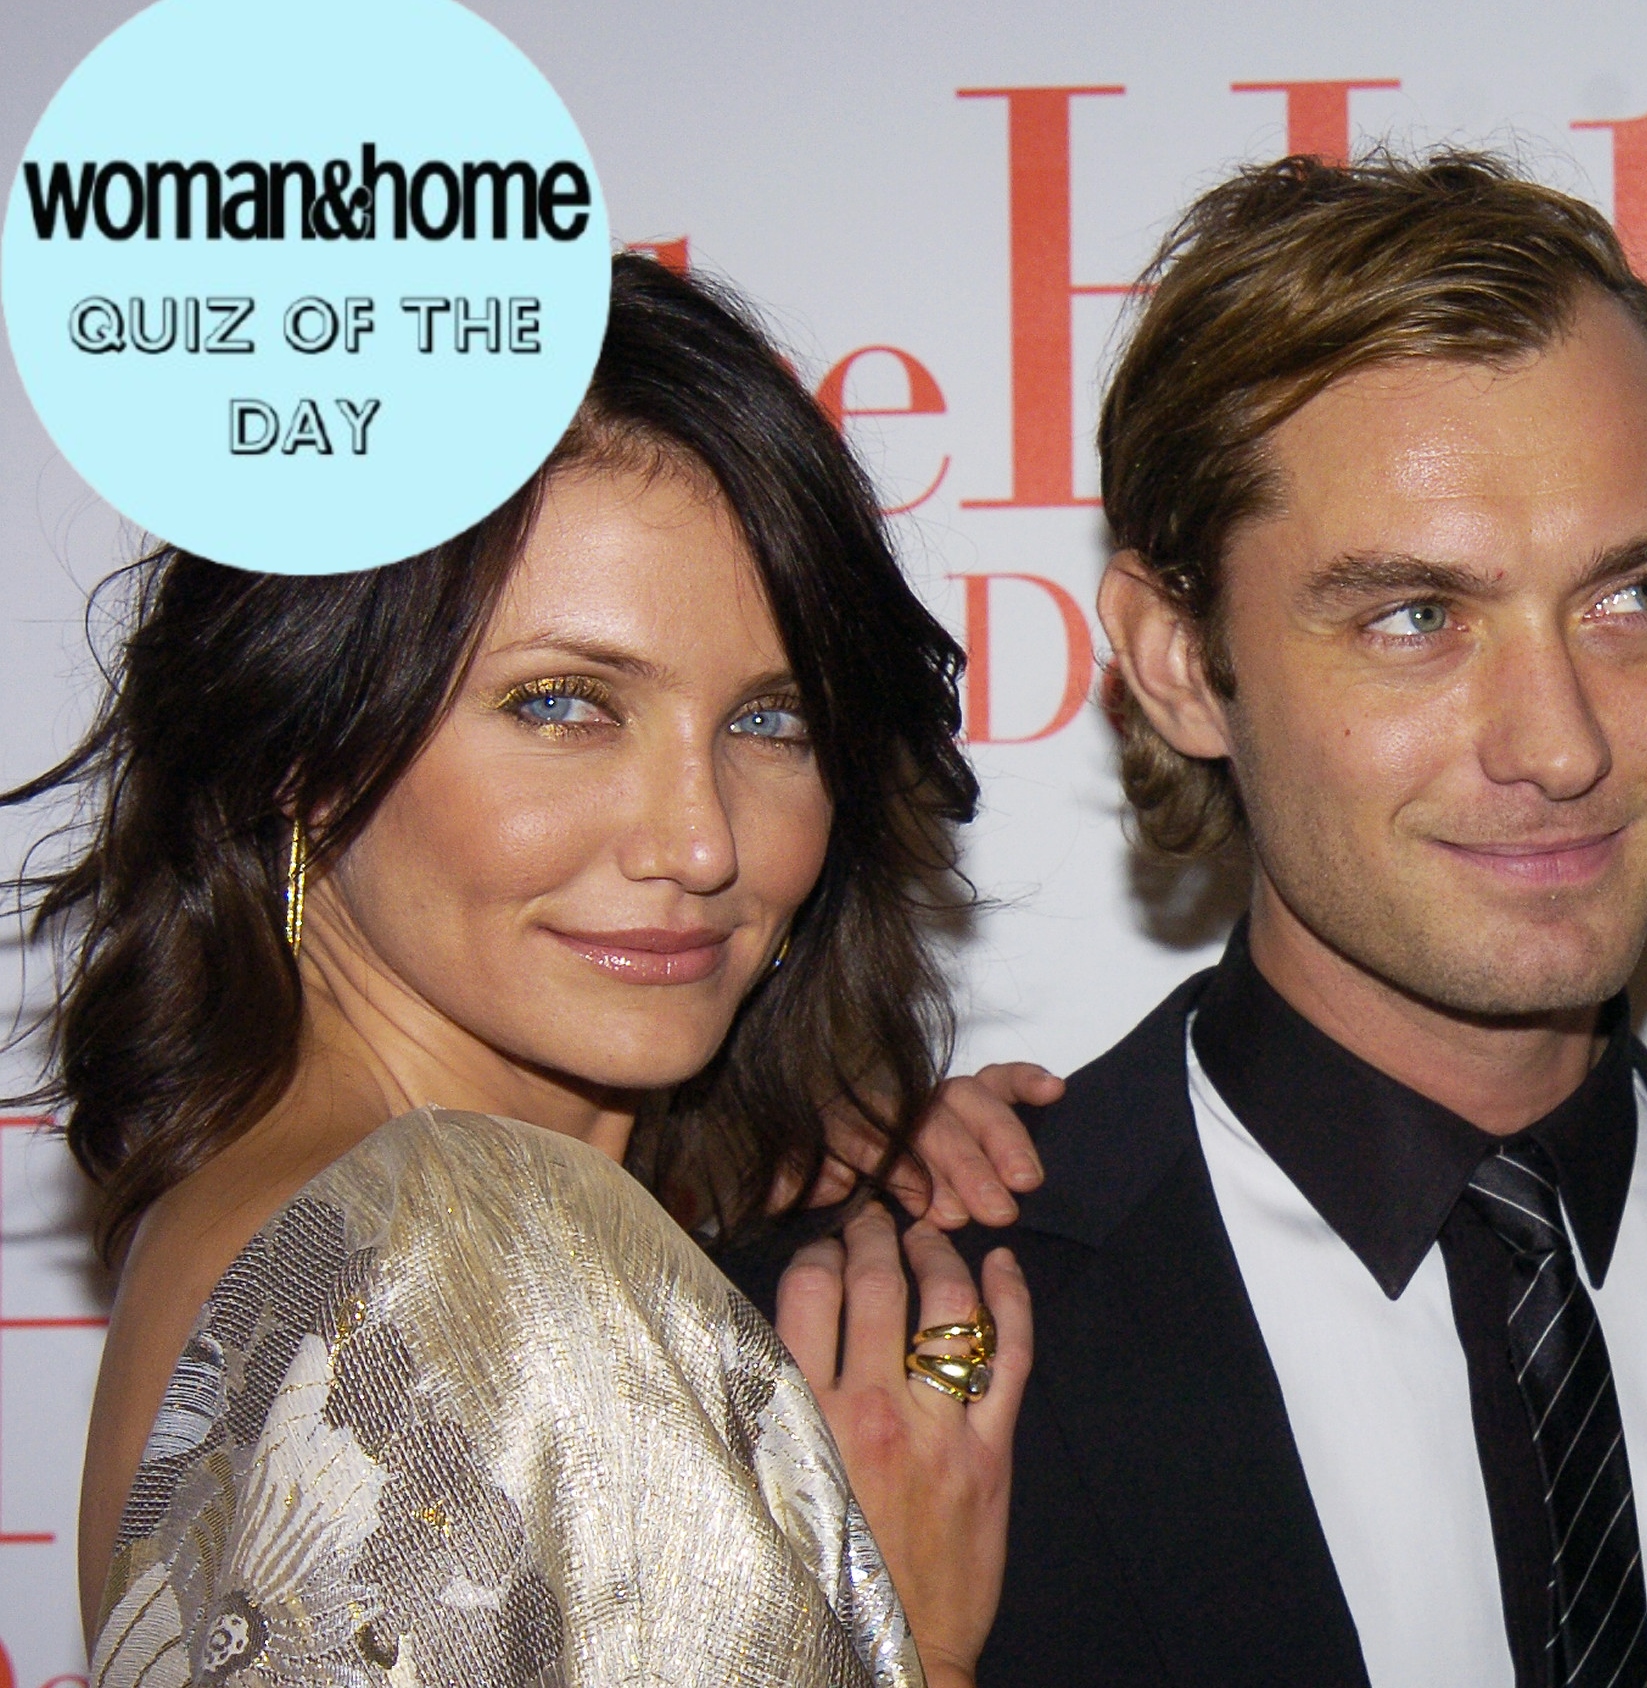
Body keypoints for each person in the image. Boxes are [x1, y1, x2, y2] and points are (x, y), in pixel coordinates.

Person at [728, 151, 1647, 1688]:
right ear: (1181, 662)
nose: (1561, 744)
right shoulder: (850, 1347)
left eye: (1635, 598)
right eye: (1416, 618)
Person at [13, 255, 1033, 1687]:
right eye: (561, 706)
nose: (697, 840)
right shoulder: (470, 1254)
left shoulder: (264, 1227)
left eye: (773, 722)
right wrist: (908, 1642)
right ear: (310, 743)